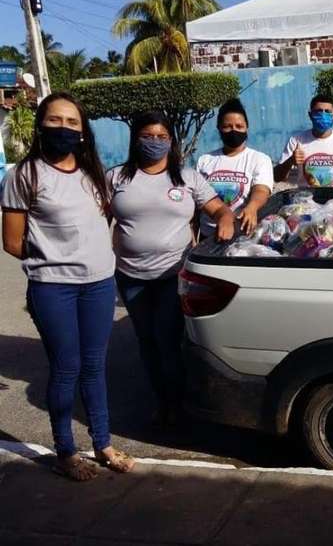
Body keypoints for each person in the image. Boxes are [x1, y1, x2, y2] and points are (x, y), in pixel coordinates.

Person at [1, 92, 134, 481]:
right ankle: (65, 450)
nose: (64, 128)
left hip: (98, 286)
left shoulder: (93, 172)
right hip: (52, 287)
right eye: (55, 120)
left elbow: (101, 223)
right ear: (42, 125)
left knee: (94, 368)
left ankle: (103, 443)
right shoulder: (24, 175)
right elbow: (12, 242)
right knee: (66, 368)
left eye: (72, 122)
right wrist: (54, 255)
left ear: (82, 130)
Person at [107, 112, 235, 426]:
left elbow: (218, 208)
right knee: (146, 341)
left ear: (171, 141)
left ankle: (176, 403)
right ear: (135, 139)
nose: (155, 142)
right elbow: (97, 218)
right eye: (147, 136)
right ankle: (161, 398)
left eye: (162, 136)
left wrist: (226, 221)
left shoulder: (187, 177)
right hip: (130, 276)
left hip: (172, 275)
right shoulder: (116, 178)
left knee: (167, 338)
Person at [197, 98, 273, 237]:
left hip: (243, 234)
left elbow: (261, 189)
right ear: (219, 128)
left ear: (247, 128)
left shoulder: (260, 159)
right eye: (228, 126)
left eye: (239, 126)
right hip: (208, 236)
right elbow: (197, 200)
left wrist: (252, 207)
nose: (234, 131)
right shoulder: (205, 160)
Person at [274, 95, 333, 195]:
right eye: (318, 111)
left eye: (328, 112)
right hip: (306, 199)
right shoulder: (296, 140)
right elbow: (277, 177)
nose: (323, 115)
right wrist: (291, 160)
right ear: (310, 115)